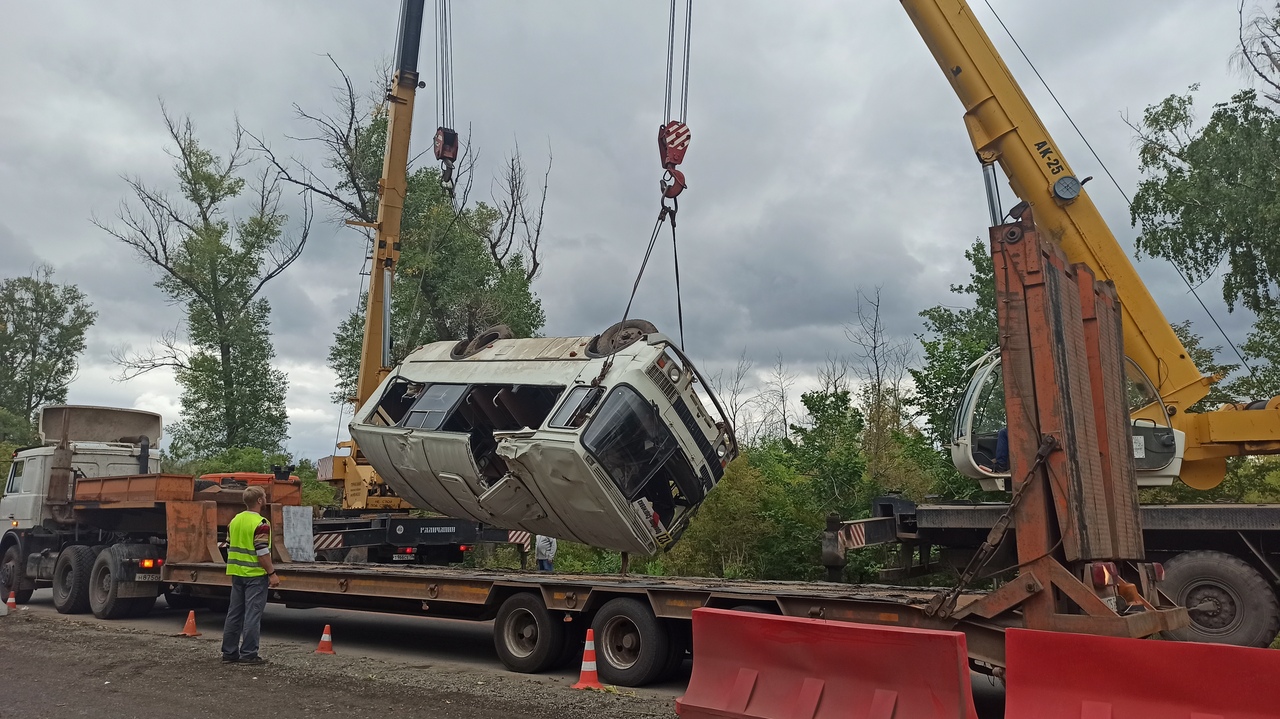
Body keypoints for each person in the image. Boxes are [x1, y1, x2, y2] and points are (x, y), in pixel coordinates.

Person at [221, 485, 280, 664]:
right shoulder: (261, 524)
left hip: (237, 573)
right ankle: (249, 654)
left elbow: (229, 546)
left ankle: (229, 653)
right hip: (254, 575)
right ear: (260, 501)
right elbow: (262, 552)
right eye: (264, 496)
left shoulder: (235, 521)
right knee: (252, 614)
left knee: (234, 614)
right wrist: (272, 573)